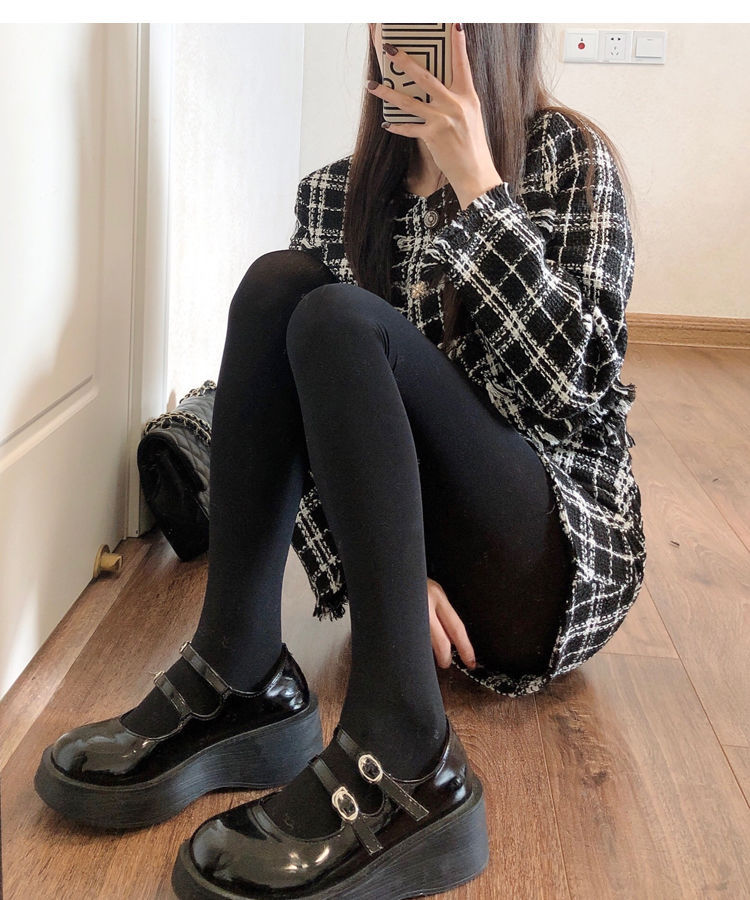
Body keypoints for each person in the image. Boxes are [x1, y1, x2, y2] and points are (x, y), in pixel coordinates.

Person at [34, 22, 647, 899]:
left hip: (549, 555)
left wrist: (478, 184)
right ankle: (238, 669)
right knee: (279, 288)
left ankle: (411, 753)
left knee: (336, 318)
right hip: (422, 571)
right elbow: (319, 428)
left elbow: (576, 397)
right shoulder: (340, 194)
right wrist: (386, 577)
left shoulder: (571, 160)